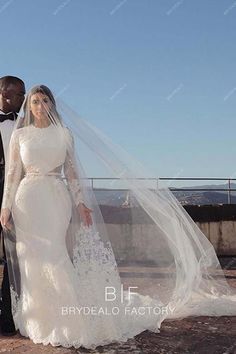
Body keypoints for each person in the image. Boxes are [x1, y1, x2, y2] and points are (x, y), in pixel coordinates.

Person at [0, 84, 235, 349]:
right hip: (27, 199)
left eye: (44, 101)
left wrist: (80, 202)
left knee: (55, 253)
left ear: (52, 104)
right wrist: (5, 206)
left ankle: (65, 318)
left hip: (55, 198)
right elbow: (12, 174)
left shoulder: (64, 134)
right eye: (34, 102)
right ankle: (37, 319)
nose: (39, 106)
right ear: (29, 106)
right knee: (30, 257)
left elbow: (72, 171)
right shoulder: (20, 135)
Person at [0, 76, 25, 336]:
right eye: (20, 94)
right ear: (5, 93)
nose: (24, 99)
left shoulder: (25, 123)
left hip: (18, 196)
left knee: (13, 257)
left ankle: (8, 318)